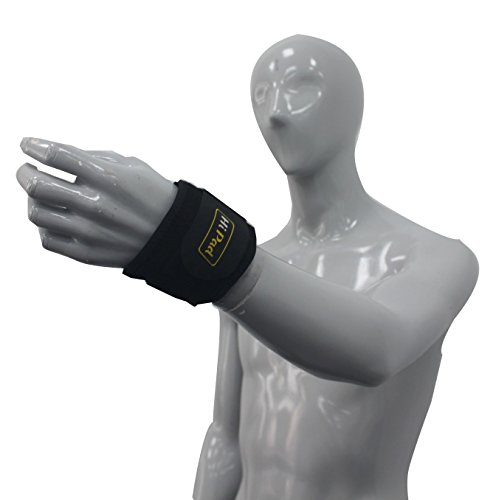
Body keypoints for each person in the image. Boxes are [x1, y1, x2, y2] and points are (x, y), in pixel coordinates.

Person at [16, 35, 479, 500]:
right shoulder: (259, 262)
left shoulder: (434, 257)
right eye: (261, 93)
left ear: (350, 106)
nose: (275, 112)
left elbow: (376, 351)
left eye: (300, 86)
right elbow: (225, 434)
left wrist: (193, 239)